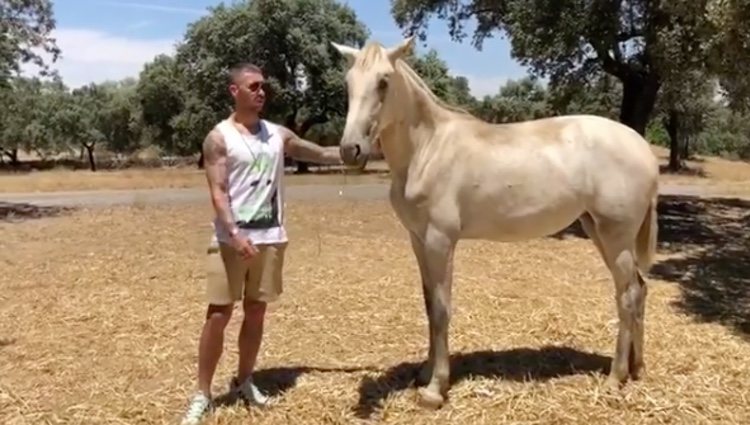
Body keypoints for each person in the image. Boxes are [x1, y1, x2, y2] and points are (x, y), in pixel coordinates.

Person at [181, 62, 343, 425]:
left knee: (256, 311)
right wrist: (235, 233)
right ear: (234, 91)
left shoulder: (277, 134)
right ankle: (203, 394)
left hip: (271, 238)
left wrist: (354, 152)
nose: (261, 92)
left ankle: (244, 380)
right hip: (230, 240)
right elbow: (218, 193)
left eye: (263, 86)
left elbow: (315, 153)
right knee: (219, 314)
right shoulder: (219, 137)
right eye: (253, 86)